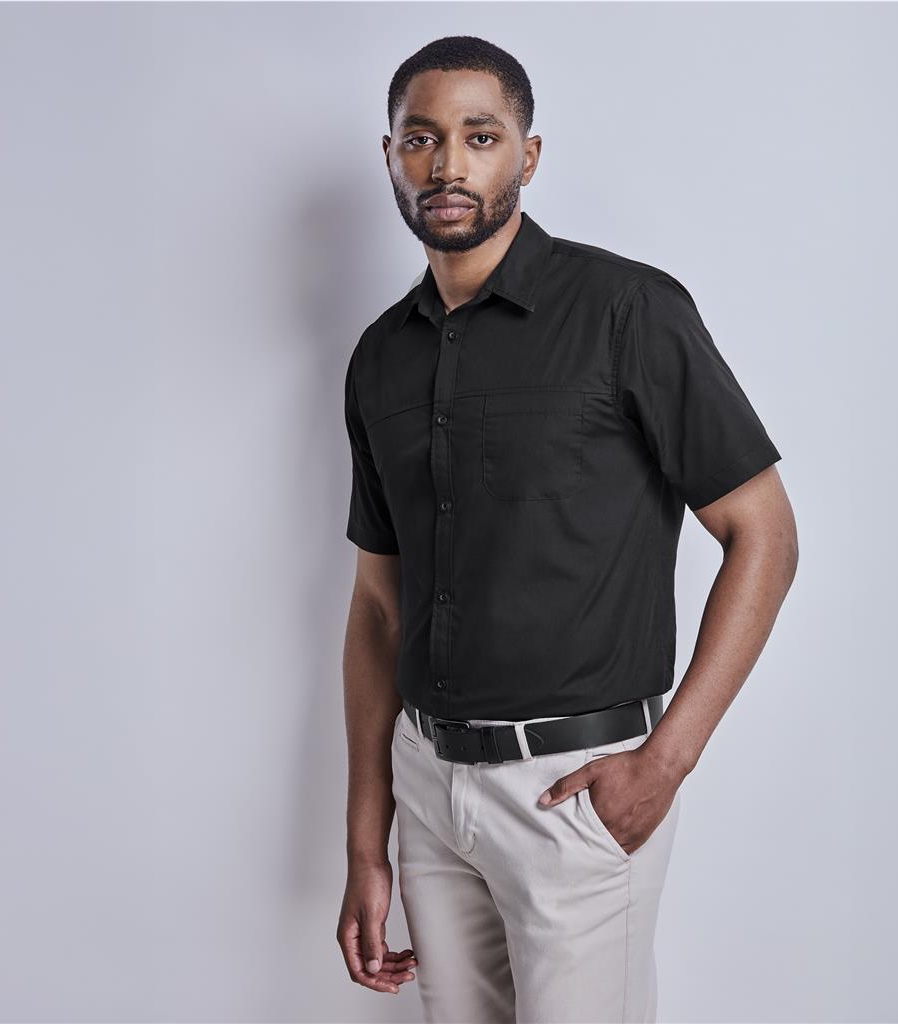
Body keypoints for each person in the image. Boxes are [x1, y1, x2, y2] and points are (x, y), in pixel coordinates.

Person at [337, 34, 798, 1024]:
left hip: (575, 792)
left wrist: (664, 761)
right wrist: (365, 841)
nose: (447, 165)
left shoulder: (627, 310)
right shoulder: (379, 357)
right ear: (390, 157)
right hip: (427, 787)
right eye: (420, 138)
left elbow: (763, 531)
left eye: (480, 137)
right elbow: (378, 608)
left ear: (528, 155)